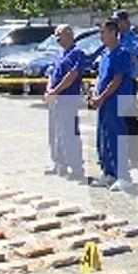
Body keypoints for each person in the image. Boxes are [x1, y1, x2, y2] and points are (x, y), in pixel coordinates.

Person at [88, 18, 134, 192]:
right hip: (104, 102)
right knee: (103, 138)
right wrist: (94, 93)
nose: (101, 36)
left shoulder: (121, 53)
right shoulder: (105, 53)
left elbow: (117, 79)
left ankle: (123, 176)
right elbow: (101, 77)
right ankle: (108, 172)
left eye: (103, 32)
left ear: (113, 33)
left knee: (117, 137)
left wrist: (102, 96)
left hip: (115, 101)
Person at [43, 24, 85, 181]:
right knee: (55, 133)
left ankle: (76, 168)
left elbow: (72, 75)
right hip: (55, 99)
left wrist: (55, 91)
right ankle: (58, 164)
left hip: (67, 98)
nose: (57, 38)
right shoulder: (59, 53)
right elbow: (51, 74)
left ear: (69, 34)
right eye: (56, 35)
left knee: (69, 134)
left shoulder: (77, 53)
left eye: (59, 34)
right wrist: (49, 90)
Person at [112, 9, 138, 168]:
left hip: (128, 82)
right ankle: (119, 153)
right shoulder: (116, 37)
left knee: (129, 119)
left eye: (118, 21)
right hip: (116, 81)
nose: (116, 25)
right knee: (116, 118)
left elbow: (130, 56)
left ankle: (133, 156)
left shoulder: (134, 39)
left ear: (125, 21)